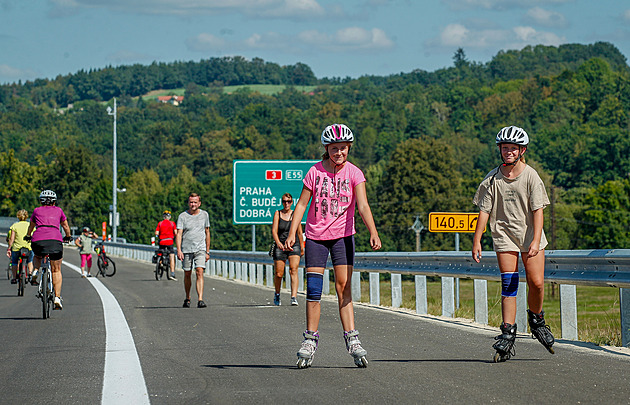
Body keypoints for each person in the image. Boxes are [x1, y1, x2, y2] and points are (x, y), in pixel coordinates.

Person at [284, 123, 382, 369]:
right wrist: (293, 233)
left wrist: (373, 231)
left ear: (349, 148)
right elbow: (301, 205)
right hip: (316, 236)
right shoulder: (315, 172)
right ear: (327, 149)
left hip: (343, 237)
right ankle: (310, 339)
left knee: (343, 288)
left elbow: (363, 206)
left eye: (344, 149)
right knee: (314, 289)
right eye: (335, 149)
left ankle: (352, 339)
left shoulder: (354, 173)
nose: (339, 153)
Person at [472, 126, 555, 362]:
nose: (508, 152)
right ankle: (507, 333)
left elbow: (538, 211)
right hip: (504, 235)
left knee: (536, 283)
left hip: (530, 235)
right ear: (499, 149)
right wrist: (477, 239)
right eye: (504, 148)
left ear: (522, 150)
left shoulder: (531, 176)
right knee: (509, 284)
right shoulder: (492, 178)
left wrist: (537, 240)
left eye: (513, 148)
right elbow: (484, 211)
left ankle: (536, 319)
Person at [25, 190, 73, 310]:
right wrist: (68, 236)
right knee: (56, 270)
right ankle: (57, 297)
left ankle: (35, 271)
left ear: (41, 201)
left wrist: (28, 235)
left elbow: (31, 226)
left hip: (38, 240)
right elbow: (65, 226)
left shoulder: (36, 210)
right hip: (55, 240)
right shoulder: (59, 211)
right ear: (54, 201)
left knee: (37, 255)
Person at [176, 193, 211, 308]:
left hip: (200, 248)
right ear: (188, 203)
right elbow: (179, 234)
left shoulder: (204, 215)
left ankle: (200, 299)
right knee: (187, 273)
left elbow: (207, 232)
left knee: (199, 271)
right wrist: (179, 250)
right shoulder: (182, 216)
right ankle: (187, 297)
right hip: (186, 249)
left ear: (199, 203)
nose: (193, 204)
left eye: (195, 202)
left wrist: (207, 251)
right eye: (191, 202)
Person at [271, 193, 304, 306]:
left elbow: (299, 232)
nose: (286, 204)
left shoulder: (295, 214)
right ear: (282, 202)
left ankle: (293, 296)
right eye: (284, 201)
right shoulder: (278, 214)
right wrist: (278, 243)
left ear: (292, 202)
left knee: (293, 270)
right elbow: (274, 231)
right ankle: (277, 293)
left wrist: (302, 246)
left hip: (294, 245)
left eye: (289, 201)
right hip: (280, 245)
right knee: (279, 273)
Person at [6, 209, 34, 284]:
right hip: (28, 248)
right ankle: (30, 274)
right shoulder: (30, 225)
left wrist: (9, 248)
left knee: (15, 262)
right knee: (30, 261)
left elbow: (12, 238)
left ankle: (14, 278)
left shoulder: (15, 226)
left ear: (18, 216)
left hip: (17, 249)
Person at [155, 210, 178, 280]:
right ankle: (172, 273)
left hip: (162, 242)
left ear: (163, 217)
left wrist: (159, 236)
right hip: (169, 242)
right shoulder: (172, 224)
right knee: (171, 255)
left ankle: (160, 263)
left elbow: (156, 233)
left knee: (160, 252)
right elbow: (176, 233)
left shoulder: (160, 223)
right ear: (169, 217)